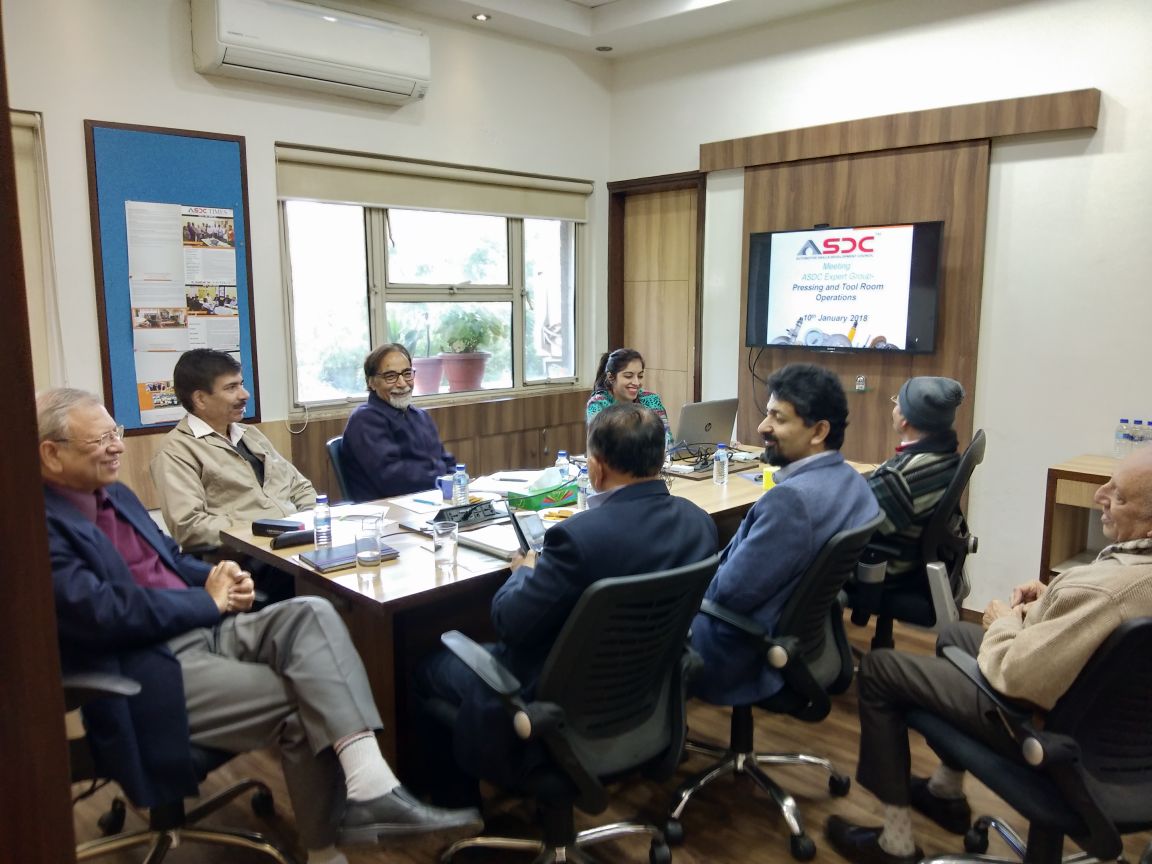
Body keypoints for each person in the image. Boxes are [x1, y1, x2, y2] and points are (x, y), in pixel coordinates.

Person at [39, 388, 482, 864]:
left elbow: (168, 558)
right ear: (52, 453)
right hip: (148, 667)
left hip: (200, 626)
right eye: (100, 439)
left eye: (116, 433)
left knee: (311, 611)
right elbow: (104, 613)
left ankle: (371, 788)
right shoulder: (40, 527)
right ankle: (327, 852)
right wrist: (207, 600)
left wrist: (216, 574)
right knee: (308, 698)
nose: (116, 446)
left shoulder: (116, 496)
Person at [826, 446, 1152, 864]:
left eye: (1119, 496)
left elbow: (1017, 676)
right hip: (1117, 727)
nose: (1099, 497)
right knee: (955, 636)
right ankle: (945, 792)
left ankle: (895, 843)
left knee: (879, 669)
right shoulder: (1131, 579)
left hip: (1052, 736)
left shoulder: (1107, 593)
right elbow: (1104, 623)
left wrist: (1004, 621)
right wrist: (1053, 599)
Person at [416, 402, 718, 799]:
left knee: (427, 665)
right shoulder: (700, 523)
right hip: (643, 691)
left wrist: (524, 572)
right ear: (661, 459)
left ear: (595, 468)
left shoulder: (577, 538)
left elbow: (511, 624)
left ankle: (457, 807)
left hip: (555, 700)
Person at [690, 363, 880, 705]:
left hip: (741, 654)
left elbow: (727, 594)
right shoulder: (853, 483)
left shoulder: (791, 502)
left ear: (819, 431)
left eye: (778, 418)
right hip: (804, 641)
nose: (762, 426)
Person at [151, 348, 317, 551]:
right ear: (200, 399)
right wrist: (262, 531)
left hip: (295, 543)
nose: (245, 395)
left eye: (241, 384)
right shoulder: (176, 450)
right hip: (245, 558)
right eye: (231, 388)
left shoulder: (250, 434)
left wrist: (312, 522)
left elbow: (300, 487)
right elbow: (190, 527)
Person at [862, 376, 966, 582]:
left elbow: (853, 527)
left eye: (897, 402)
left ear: (905, 420)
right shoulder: (946, 456)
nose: (893, 408)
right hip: (915, 563)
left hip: (885, 570)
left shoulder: (898, 478)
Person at [341, 343, 455, 502]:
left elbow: (446, 461)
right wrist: (442, 478)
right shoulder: (364, 419)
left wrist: (457, 479)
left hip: (432, 501)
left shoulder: (420, 415)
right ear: (371, 382)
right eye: (391, 376)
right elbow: (392, 479)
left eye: (407, 374)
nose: (402, 383)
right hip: (386, 510)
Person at [585, 348, 674, 449]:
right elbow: (599, 446)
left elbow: (667, 440)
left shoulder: (651, 399)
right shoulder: (598, 404)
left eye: (640, 376)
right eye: (628, 376)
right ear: (611, 377)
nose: (636, 382)